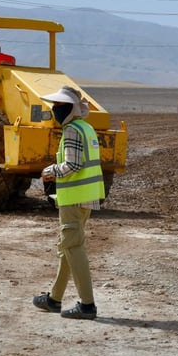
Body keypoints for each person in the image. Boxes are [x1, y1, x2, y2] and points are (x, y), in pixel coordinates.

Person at [32, 86, 104, 320]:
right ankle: (54, 298)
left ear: (70, 109)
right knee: (68, 247)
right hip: (87, 196)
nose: (55, 110)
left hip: (74, 199)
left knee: (73, 248)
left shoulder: (72, 130)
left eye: (59, 106)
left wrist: (50, 171)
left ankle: (87, 305)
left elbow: (73, 166)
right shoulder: (87, 128)